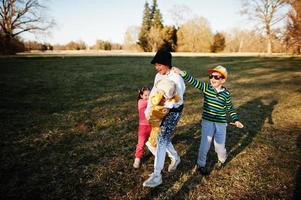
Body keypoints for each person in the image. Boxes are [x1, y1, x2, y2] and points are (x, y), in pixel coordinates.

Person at [172, 65, 244, 175]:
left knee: (219, 147)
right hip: (207, 122)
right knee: (204, 145)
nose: (213, 79)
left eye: (216, 77)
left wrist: (236, 119)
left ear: (223, 80)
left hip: (221, 124)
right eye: (211, 76)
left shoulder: (226, 94)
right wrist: (181, 72)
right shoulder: (206, 88)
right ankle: (201, 165)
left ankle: (222, 160)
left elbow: (230, 107)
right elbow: (194, 81)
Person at [143, 49, 185, 187]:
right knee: (162, 138)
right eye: (155, 65)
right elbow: (154, 93)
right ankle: (175, 158)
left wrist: (165, 103)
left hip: (173, 112)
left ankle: (157, 174)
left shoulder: (176, 78)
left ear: (167, 63)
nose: (156, 67)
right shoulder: (158, 76)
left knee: (161, 138)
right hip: (159, 112)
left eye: (159, 65)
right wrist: (149, 109)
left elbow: (178, 101)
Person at [145, 79, 180, 154]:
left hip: (161, 117)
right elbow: (154, 101)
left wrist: (174, 100)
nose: (165, 98)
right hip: (154, 117)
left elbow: (176, 98)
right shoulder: (157, 97)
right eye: (164, 96)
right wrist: (160, 94)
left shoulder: (170, 97)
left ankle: (156, 143)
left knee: (160, 131)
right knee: (156, 130)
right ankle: (151, 144)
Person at [133, 86, 151, 169]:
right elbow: (150, 103)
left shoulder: (151, 101)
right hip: (143, 127)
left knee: (154, 141)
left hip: (152, 125)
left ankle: (156, 154)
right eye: (146, 95)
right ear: (141, 96)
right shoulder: (141, 102)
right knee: (141, 143)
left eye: (149, 95)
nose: (148, 97)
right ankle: (137, 158)